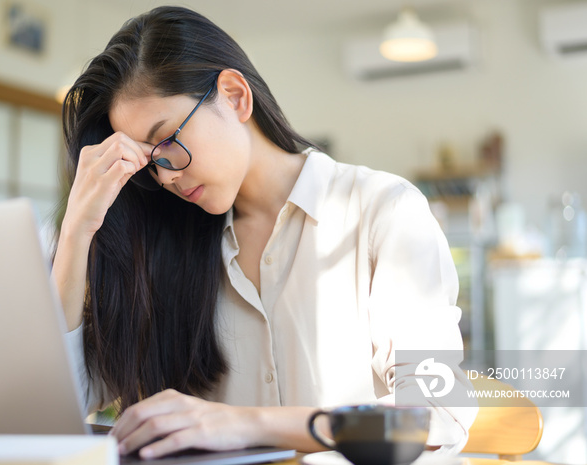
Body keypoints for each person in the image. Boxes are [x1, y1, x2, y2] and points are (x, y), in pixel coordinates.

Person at [53, 5, 477, 460]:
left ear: (235, 96)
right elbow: (58, 404)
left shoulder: (382, 212)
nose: (166, 177)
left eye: (168, 142)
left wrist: (244, 423)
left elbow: (433, 415)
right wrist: (78, 226)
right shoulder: (162, 249)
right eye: (149, 162)